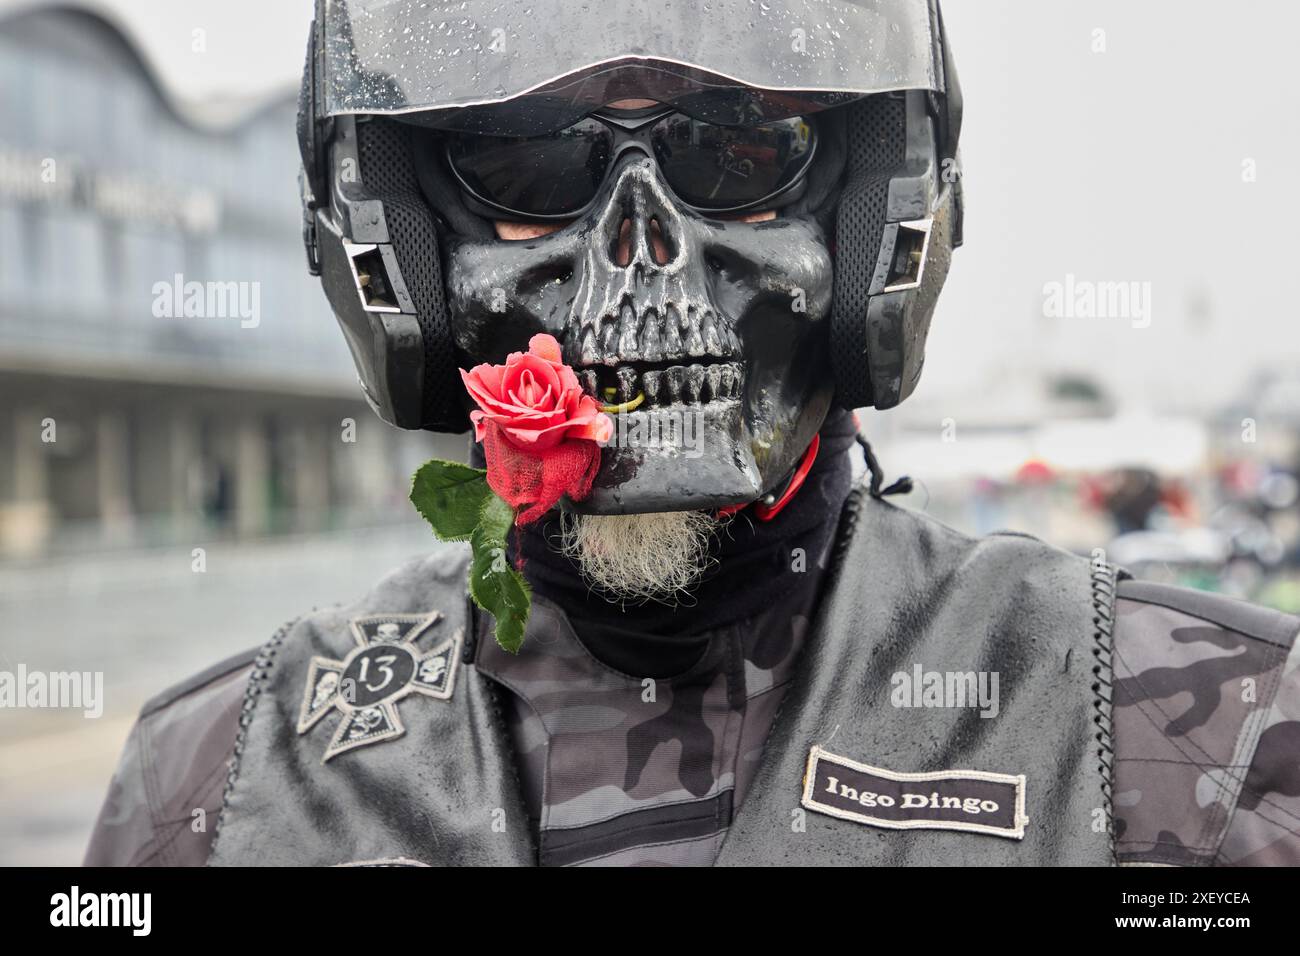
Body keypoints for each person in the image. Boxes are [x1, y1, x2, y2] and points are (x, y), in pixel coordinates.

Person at [85, 0, 1298, 867]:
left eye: (738, 152)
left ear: (872, 211)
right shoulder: (227, 776)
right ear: (405, 240)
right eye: (527, 161)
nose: (637, 250)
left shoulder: (1183, 723)